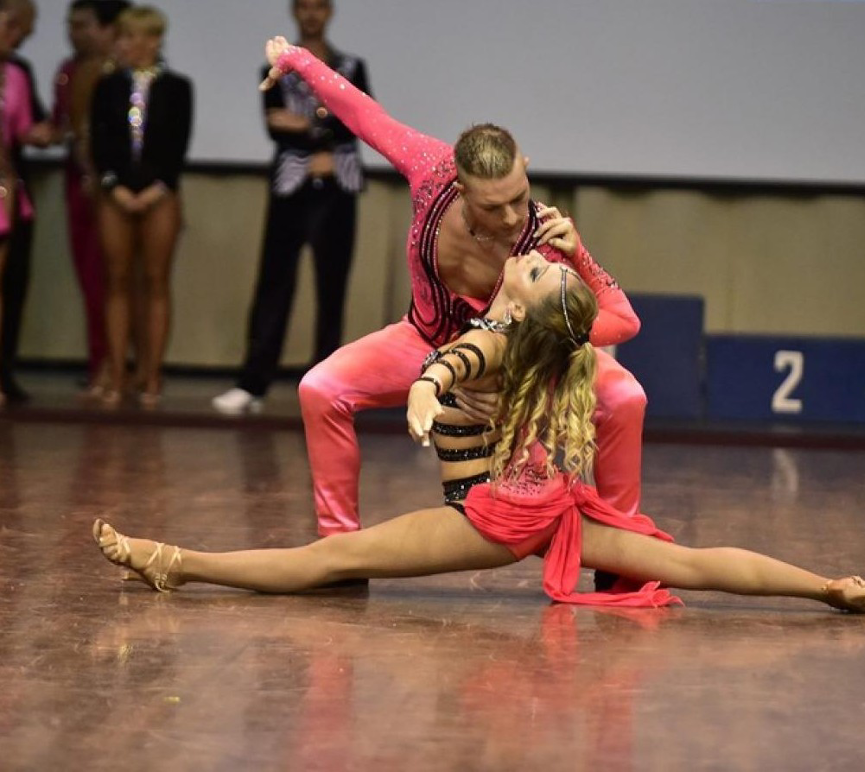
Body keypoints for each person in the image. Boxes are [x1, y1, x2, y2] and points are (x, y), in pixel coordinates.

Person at [93, 251, 865, 615]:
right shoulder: (544, 342)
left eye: (534, 269)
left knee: (331, 559)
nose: (527, 259)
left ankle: (177, 562)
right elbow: (591, 317)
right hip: (552, 503)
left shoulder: (495, 338)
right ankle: (836, 588)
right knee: (691, 561)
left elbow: (449, 364)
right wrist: (575, 266)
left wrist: (423, 392)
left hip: (487, 517)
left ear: (522, 306)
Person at [252, 38, 648, 556]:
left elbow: (611, 323)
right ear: (460, 189)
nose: (511, 217)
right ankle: (337, 549)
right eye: (493, 207)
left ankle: (622, 552)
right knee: (321, 388)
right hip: (428, 341)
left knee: (625, 397)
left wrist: (579, 261)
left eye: (519, 198)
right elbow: (363, 114)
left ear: (526, 168)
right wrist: (297, 60)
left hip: (515, 361)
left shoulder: (545, 239)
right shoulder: (430, 170)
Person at [213, 0, 371, 417]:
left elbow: (360, 120)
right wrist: (325, 123)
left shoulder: (351, 67)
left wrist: (306, 125)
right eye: (304, 7)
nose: (311, 15)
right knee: (274, 282)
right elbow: (275, 126)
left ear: (329, 12)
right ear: (295, 12)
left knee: (331, 288)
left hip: (337, 186)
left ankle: (327, 389)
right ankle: (252, 384)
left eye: (319, 7)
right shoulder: (275, 68)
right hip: (290, 187)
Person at [90, 4, 192, 406]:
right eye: (124, 36)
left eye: (135, 36)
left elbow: (178, 143)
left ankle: (152, 374)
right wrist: (114, 186)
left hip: (159, 193)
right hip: (115, 192)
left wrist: (156, 188)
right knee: (117, 280)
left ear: (154, 40)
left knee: (156, 280)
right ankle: (118, 373)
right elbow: (99, 141)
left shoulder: (177, 87)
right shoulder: (107, 86)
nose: (127, 44)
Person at [51, 0, 132, 398]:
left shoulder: (123, 73)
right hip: (85, 181)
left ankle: (120, 365)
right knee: (93, 276)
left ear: (108, 29)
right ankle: (101, 360)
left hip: (117, 183)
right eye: (71, 25)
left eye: (84, 25)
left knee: (119, 277)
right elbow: (71, 128)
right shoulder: (71, 70)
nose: (74, 33)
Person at [1, 0, 51, 404]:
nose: (19, 36)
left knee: (5, 284)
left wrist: (49, 131)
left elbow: (25, 129)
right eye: (12, 26)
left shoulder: (16, 73)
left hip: (4, 187)